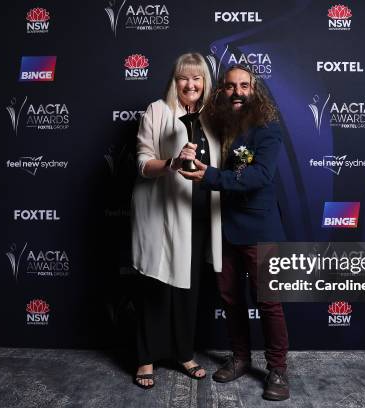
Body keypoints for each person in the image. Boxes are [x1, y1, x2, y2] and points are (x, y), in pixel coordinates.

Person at [179, 65, 290, 401]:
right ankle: (241, 357)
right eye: (230, 86)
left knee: (269, 303)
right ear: (221, 91)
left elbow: (259, 176)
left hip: (260, 230)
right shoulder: (219, 126)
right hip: (224, 229)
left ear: (253, 90)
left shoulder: (267, 129)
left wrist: (210, 177)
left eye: (244, 85)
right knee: (230, 299)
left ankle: (278, 369)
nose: (237, 92)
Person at [130, 53, 222, 389]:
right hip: (159, 213)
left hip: (196, 214)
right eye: (184, 77)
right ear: (175, 81)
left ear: (205, 83)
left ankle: (184, 352)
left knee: (188, 287)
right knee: (155, 285)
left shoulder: (212, 119)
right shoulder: (158, 110)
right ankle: (145, 358)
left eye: (197, 78)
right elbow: (141, 163)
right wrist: (171, 162)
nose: (191, 84)